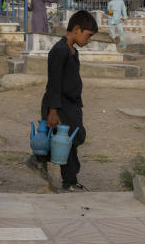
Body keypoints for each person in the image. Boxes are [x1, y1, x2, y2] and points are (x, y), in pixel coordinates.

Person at [36, 10, 98, 192]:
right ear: (77, 29)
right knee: (66, 141)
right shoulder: (59, 50)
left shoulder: (72, 51)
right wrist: (53, 111)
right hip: (59, 104)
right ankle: (68, 181)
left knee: (73, 139)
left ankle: (46, 165)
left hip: (71, 105)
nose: (89, 40)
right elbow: (54, 82)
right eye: (88, 36)